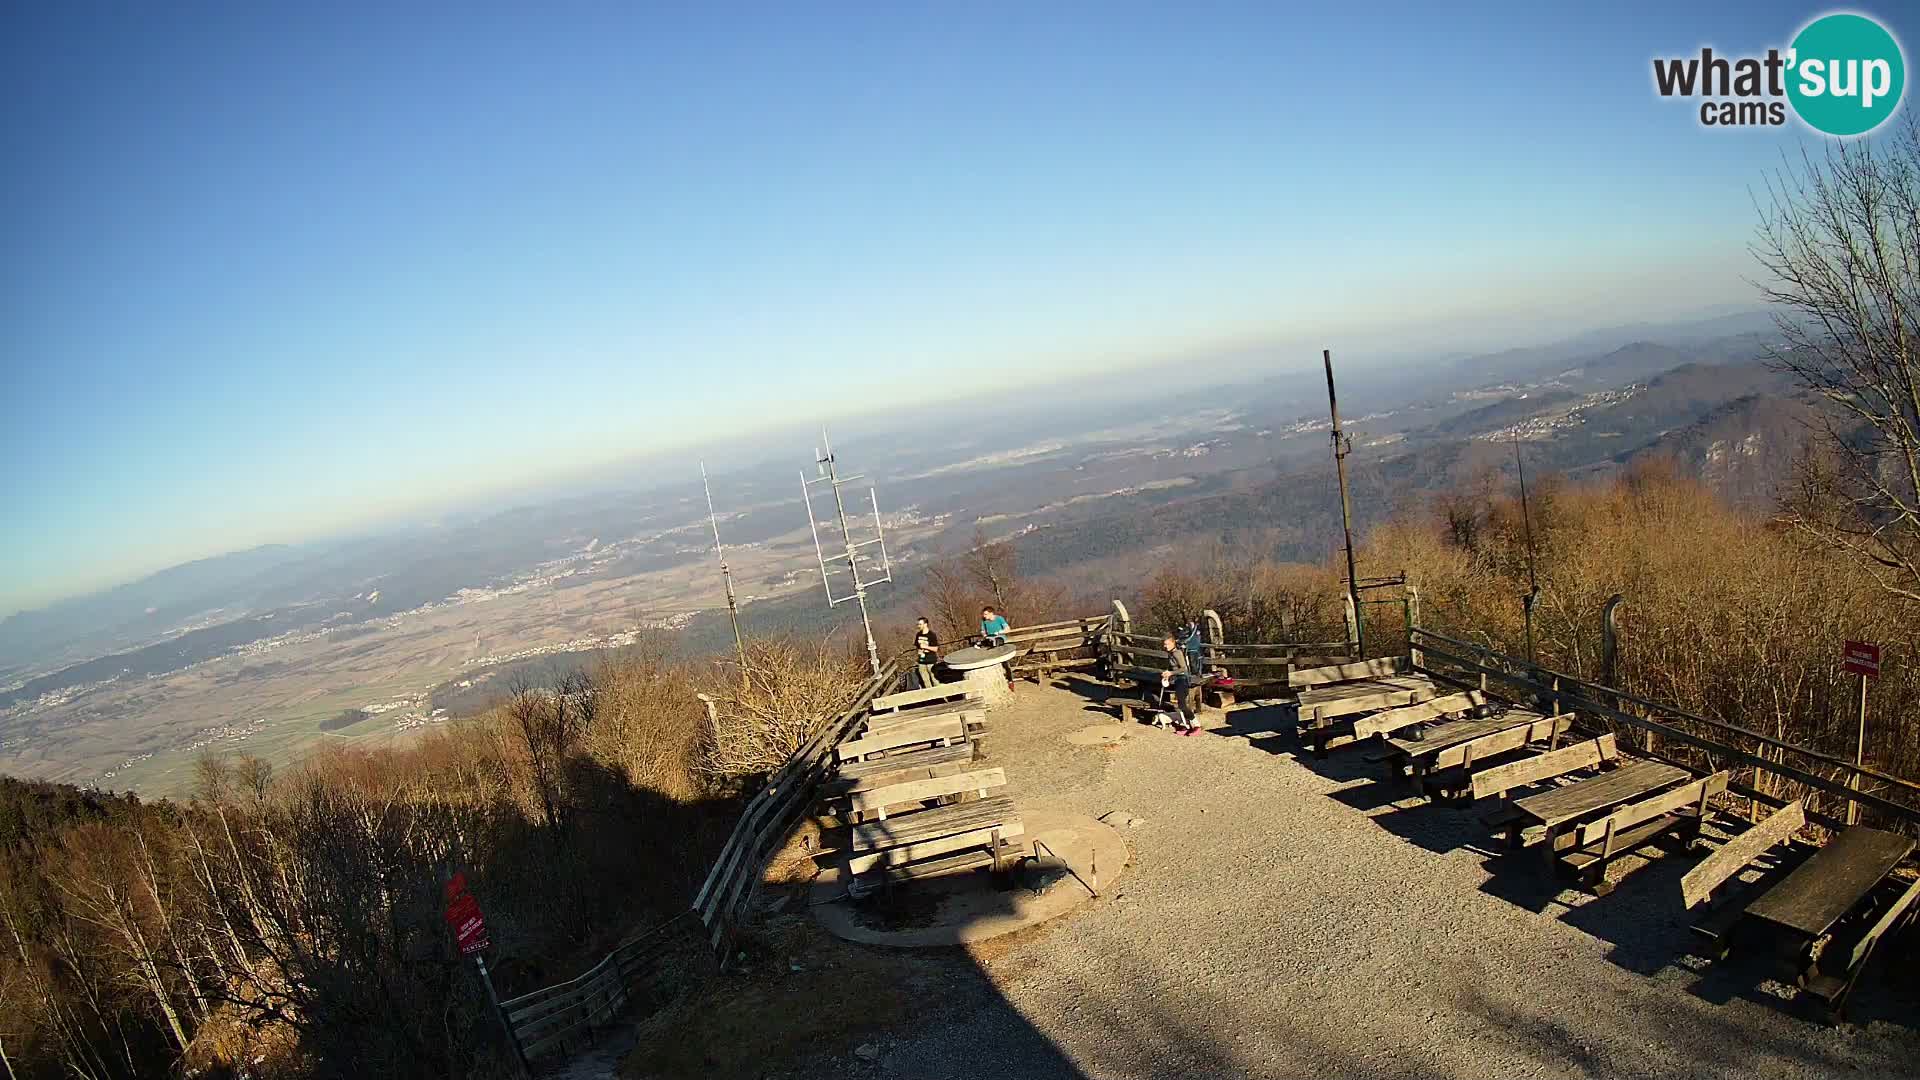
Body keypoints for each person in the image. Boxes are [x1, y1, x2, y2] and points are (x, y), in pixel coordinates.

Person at [1160, 634, 1198, 734]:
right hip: (1178, 680)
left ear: (1173, 643)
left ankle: (1196, 724)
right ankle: (1186, 725)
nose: (1165, 646)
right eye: (1164, 644)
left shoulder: (1177, 653)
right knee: (1180, 704)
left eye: (1167, 644)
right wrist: (1167, 673)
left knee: (1182, 704)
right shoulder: (1170, 653)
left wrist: (1171, 673)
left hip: (1183, 680)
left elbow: (1183, 668)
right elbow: (1171, 667)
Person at [913, 617, 941, 689]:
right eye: (918, 624)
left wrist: (926, 647)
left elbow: (935, 649)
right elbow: (917, 646)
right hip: (921, 662)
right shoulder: (918, 634)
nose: (918, 626)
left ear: (925, 624)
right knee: (926, 682)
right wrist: (919, 651)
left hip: (931, 662)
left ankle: (942, 697)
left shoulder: (931, 635)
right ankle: (932, 698)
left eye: (920, 624)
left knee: (935, 681)